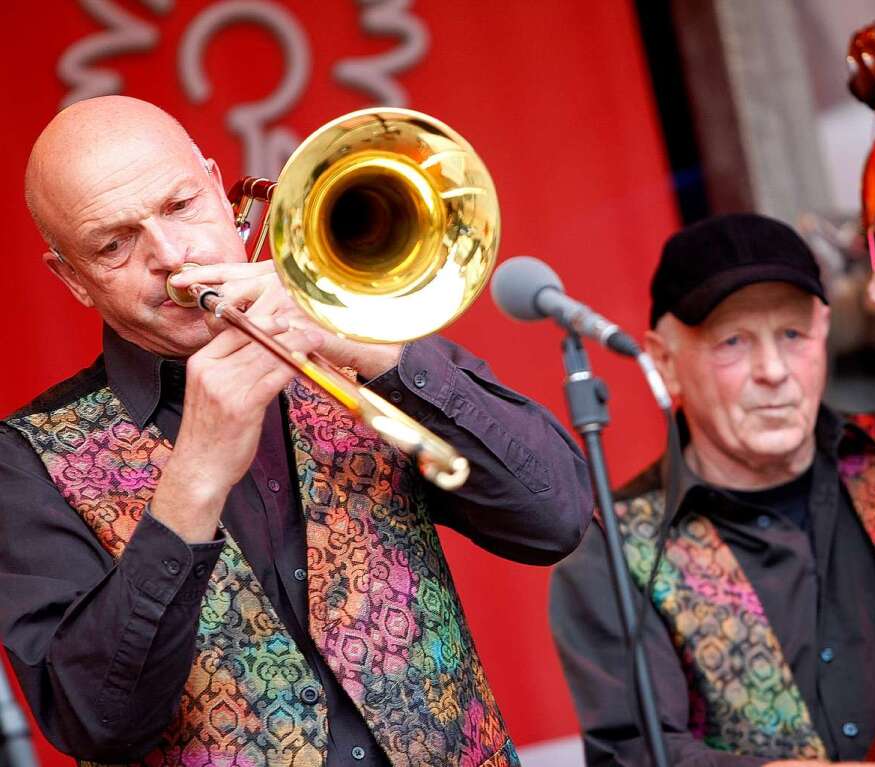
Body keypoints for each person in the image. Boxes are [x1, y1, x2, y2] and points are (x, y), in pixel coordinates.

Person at [0, 96, 593, 767]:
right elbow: (96, 724)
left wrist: (372, 351)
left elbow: (555, 518)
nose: (169, 255)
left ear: (222, 191)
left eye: (180, 205)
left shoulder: (360, 349)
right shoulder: (23, 461)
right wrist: (193, 477)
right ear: (73, 279)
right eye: (115, 243)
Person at [549, 212, 875, 766]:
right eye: (734, 341)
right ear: (664, 362)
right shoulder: (612, 550)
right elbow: (635, 755)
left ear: (823, 331)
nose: (773, 369)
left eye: (793, 335)